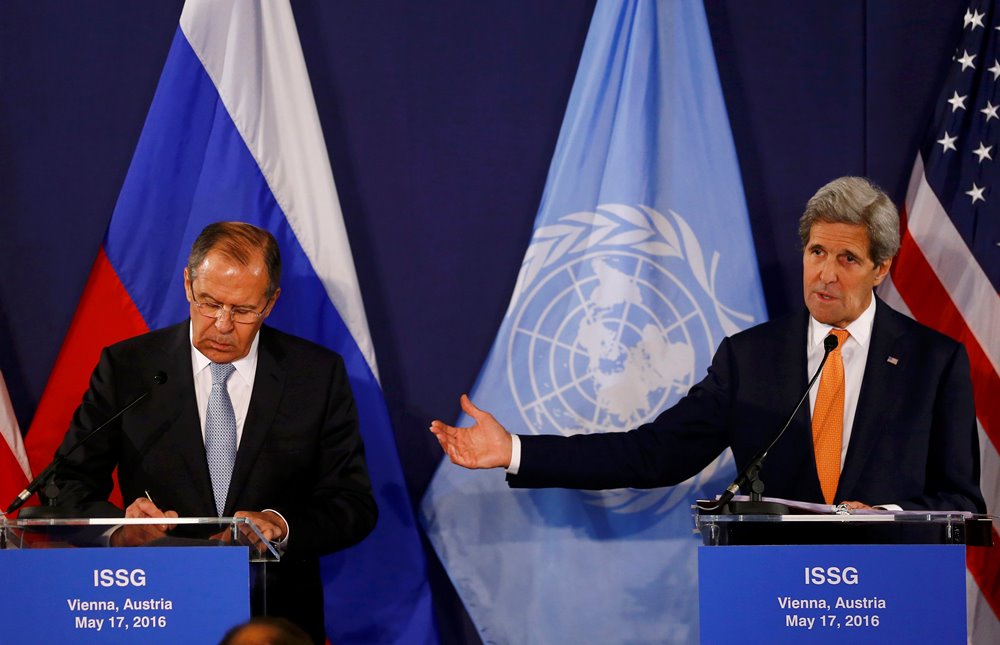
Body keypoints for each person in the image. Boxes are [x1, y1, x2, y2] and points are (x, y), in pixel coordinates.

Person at [431, 177, 985, 514]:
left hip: (888, 601)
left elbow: (960, 501)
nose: (825, 274)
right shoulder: (750, 359)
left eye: (847, 259)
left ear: (880, 269)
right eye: (816, 252)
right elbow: (650, 453)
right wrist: (516, 451)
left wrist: (884, 515)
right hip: (779, 599)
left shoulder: (933, 363)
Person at [49, 221, 378, 643]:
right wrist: (119, 530)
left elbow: (352, 504)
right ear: (188, 285)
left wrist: (280, 524)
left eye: (242, 311)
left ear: (271, 302)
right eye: (209, 303)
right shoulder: (128, 368)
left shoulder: (315, 375)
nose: (222, 325)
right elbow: (64, 485)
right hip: (155, 610)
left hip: (274, 619)